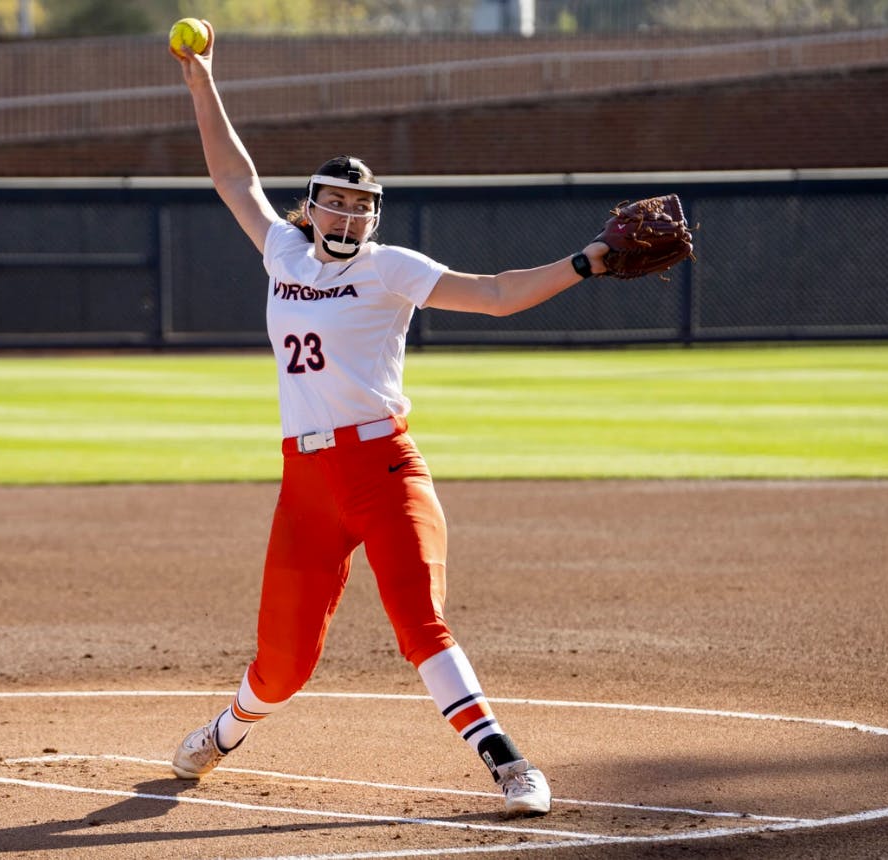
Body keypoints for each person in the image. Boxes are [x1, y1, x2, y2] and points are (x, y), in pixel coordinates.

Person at [168, 21, 611, 818]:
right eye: (333, 204)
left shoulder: (391, 269)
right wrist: (201, 82)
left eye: (360, 207)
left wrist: (589, 261)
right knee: (281, 666)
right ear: (309, 210)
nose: (346, 217)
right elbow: (234, 179)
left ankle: (507, 763)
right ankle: (224, 731)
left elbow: (499, 294)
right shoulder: (281, 251)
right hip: (304, 483)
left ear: (374, 217)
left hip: (383, 470)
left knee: (420, 625)